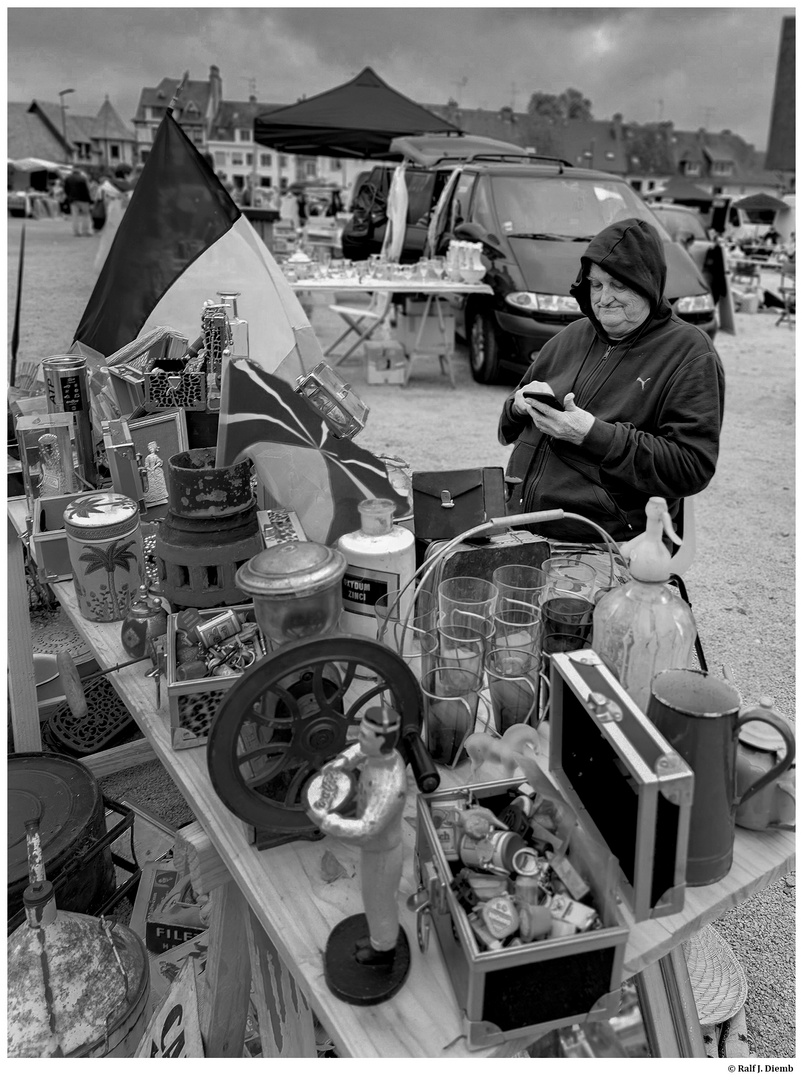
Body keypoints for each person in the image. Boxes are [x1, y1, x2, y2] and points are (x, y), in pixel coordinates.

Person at [498, 218, 725, 544]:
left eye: (619, 285)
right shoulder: (573, 336)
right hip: (517, 524)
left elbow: (691, 468)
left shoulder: (689, 353)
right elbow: (505, 430)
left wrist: (591, 434)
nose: (604, 298)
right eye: (596, 284)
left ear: (648, 283)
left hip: (607, 541)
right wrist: (518, 406)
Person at [306, 707, 407, 967]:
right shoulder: (381, 753)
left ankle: (384, 952)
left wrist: (328, 821)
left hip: (382, 852)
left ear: (382, 741)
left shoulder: (389, 784)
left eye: (366, 736)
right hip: (375, 849)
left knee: (380, 900)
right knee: (371, 897)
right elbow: (358, 751)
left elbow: (366, 829)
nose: (360, 740)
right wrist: (340, 762)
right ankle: (378, 939)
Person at [63, 167, 93, 236]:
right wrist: (90, 200)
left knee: (75, 216)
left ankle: (76, 232)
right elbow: (87, 190)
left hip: (73, 199)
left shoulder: (68, 178)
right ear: (79, 171)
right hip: (84, 199)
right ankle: (85, 231)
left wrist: (69, 196)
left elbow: (66, 189)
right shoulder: (83, 178)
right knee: (86, 215)